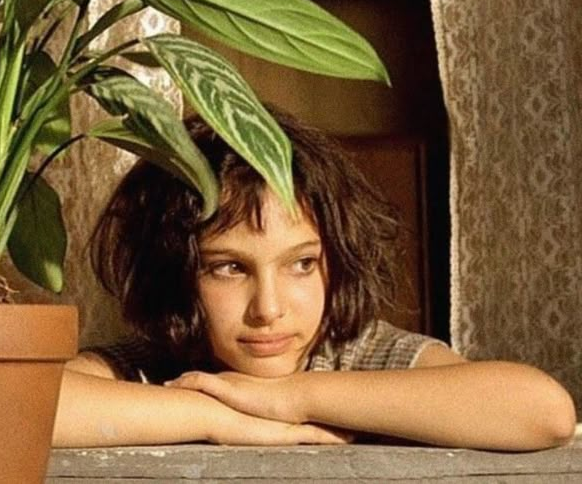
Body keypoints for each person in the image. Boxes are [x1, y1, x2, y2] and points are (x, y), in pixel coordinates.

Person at [53, 107, 577, 449]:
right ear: (174, 272)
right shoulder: (158, 366)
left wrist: (295, 396)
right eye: (229, 268)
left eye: (301, 263)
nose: (269, 308)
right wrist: (219, 417)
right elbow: (27, 408)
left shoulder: (366, 355)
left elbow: (541, 411)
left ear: (336, 260)